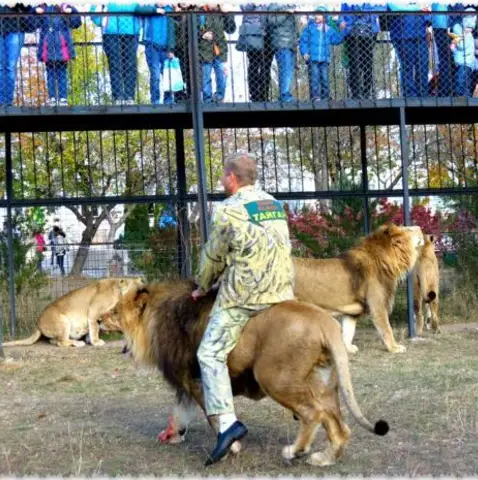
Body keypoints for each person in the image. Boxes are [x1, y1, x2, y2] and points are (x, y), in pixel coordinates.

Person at [191, 153, 295, 465]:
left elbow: (214, 256)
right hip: (283, 290)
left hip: (246, 295)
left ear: (232, 178)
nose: (222, 181)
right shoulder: (273, 204)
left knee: (208, 353)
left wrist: (202, 284)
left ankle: (227, 424)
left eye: (223, 176)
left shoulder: (227, 209)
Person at [90, 3, 142, 104]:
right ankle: (118, 97)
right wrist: (103, 22)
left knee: (130, 65)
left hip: (131, 31)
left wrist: (139, 24)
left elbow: (143, 7)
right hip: (111, 32)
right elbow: (94, 8)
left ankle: (129, 96)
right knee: (115, 65)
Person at [34, 3, 82, 106]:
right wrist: (35, 10)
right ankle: (52, 98)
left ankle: (63, 98)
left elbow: (76, 23)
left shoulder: (65, 6)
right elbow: (33, 23)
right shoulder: (44, 6)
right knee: (50, 73)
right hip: (48, 45)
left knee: (62, 73)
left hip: (62, 45)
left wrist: (72, 10)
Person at [299, 6, 345, 102]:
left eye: (319, 14)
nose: (316, 16)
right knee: (314, 78)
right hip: (312, 58)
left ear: (324, 17)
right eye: (316, 14)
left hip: (324, 59)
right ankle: (315, 97)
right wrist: (305, 53)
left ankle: (325, 97)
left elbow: (337, 40)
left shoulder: (328, 29)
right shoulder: (310, 28)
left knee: (325, 79)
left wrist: (342, 30)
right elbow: (303, 41)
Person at [136, 3, 177, 105]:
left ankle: (168, 99)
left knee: (167, 75)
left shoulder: (169, 9)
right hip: (151, 45)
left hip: (165, 48)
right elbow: (139, 8)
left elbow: (171, 29)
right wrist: (155, 10)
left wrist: (171, 49)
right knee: (155, 74)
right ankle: (155, 100)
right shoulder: (150, 7)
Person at [237, 3, 272, 102]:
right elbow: (243, 6)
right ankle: (254, 94)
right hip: (253, 33)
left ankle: (264, 94)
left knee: (266, 65)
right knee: (254, 64)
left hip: (266, 33)